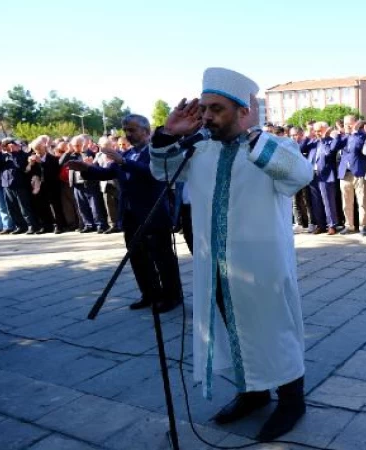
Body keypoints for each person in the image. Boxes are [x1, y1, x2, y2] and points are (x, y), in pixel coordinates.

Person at [149, 67, 312, 442]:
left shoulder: (270, 146)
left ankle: (291, 401)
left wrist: (255, 137)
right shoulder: (198, 149)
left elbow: (300, 175)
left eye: (216, 109)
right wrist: (167, 135)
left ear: (244, 111)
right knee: (233, 330)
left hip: (262, 268)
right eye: (203, 108)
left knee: (274, 331)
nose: (206, 116)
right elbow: (161, 171)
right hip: (216, 267)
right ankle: (252, 392)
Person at [69, 115, 183, 313]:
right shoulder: (128, 153)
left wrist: (123, 161)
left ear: (146, 131)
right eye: (125, 130)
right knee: (138, 258)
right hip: (130, 216)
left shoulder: (154, 152)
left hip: (153, 215)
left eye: (132, 130)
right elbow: (107, 173)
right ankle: (149, 294)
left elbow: (152, 173)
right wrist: (86, 169)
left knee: (162, 259)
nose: (127, 135)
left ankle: (172, 297)